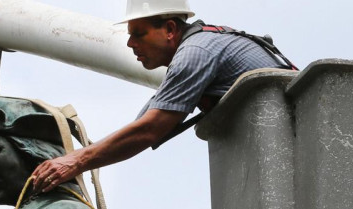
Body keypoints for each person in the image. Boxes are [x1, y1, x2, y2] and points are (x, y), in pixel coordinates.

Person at [29, 0, 289, 193]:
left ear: (170, 29)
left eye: (138, 33)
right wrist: (80, 152)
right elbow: (139, 126)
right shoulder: (197, 50)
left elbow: (149, 130)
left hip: (292, 136)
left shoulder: (195, 53)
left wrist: (76, 161)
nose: (130, 43)